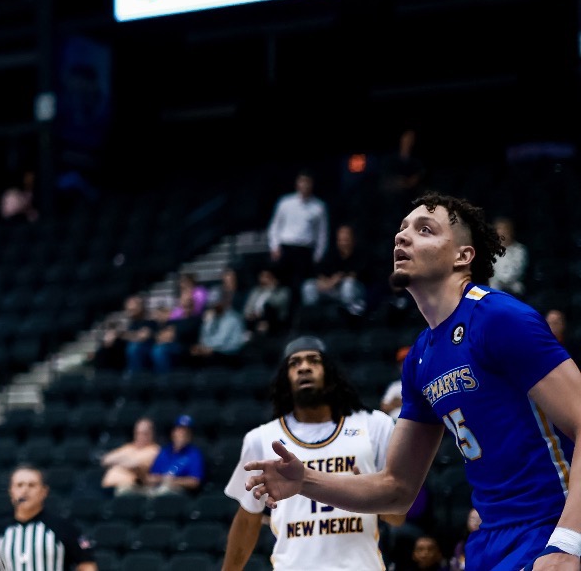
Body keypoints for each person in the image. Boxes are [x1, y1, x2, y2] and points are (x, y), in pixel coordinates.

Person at [246, 194, 581, 571]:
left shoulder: (499, 318)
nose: (402, 238)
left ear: (462, 256)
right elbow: (397, 488)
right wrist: (305, 478)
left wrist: (569, 544)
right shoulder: (421, 357)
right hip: (491, 539)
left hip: (555, 525)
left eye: (424, 230)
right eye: (402, 229)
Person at [220, 337, 399, 571]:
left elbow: (398, 517)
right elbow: (247, 520)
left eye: (313, 360)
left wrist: (367, 495)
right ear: (286, 378)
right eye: (294, 363)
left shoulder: (376, 426)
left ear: (330, 371)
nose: (304, 367)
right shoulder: (261, 439)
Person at [0, 467, 95, 571]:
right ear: (11, 491)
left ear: (44, 491)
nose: (24, 490)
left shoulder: (63, 527)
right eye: (19, 485)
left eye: (31, 485)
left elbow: (87, 565)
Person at [268, 173, 329, 291]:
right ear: (297, 184)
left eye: (308, 182)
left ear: (312, 184)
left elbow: (322, 233)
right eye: (302, 181)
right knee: (282, 284)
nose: (305, 185)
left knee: (300, 285)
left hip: (304, 250)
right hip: (286, 247)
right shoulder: (285, 203)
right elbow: (275, 226)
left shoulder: (319, 206)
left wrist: (318, 254)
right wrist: (274, 246)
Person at [304, 225, 368, 319]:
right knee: (308, 286)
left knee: (348, 285)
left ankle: (349, 317)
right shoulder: (331, 254)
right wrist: (326, 282)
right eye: (340, 240)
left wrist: (336, 280)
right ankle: (312, 320)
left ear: (353, 239)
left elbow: (352, 276)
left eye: (346, 239)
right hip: (331, 289)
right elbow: (320, 273)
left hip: (355, 291)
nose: (343, 243)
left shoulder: (360, 255)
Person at [143, 416, 204, 495]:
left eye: (186, 432)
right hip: (157, 487)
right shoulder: (164, 452)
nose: (182, 434)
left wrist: (174, 481)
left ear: (190, 435)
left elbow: (195, 481)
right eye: (179, 430)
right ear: (173, 432)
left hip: (179, 493)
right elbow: (151, 477)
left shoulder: (194, 454)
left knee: (164, 491)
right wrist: (163, 479)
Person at [100, 419, 159, 492]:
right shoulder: (128, 447)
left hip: (130, 489)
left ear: (151, 434)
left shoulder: (154, 450)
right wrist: (126, 460)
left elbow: (135, 465)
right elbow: (106, 460)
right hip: (108, 488)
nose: (140, 436)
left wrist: (119, 460)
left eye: (144, 433)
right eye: (138, 433)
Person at [190, 298, 250, 365]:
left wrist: (204, 348)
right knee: (191, 353)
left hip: (231, 352)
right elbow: (202, 338)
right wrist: (207, 322)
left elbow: (220, 341)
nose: (215, 306)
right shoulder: (215, 317)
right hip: (218, 349)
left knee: (202, 356)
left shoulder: (231, 318)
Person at [245, 269, 294, 337]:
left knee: (268, 308)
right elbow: (248, 307)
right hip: (254, 319)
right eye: (262, 276)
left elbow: (277, 303)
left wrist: (271, 289)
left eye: (267, 277)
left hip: (274, 320)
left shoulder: (283, 291)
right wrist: (251, 314)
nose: (264, 280)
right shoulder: (256, 290)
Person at [491, 219, 527, 296]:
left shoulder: (520, 250)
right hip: (493, 288)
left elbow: (513, 273)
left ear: (511, 232)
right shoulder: (490, 250)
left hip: (513, 290)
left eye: (505, 229)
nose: (502, 233)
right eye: (499, 229)